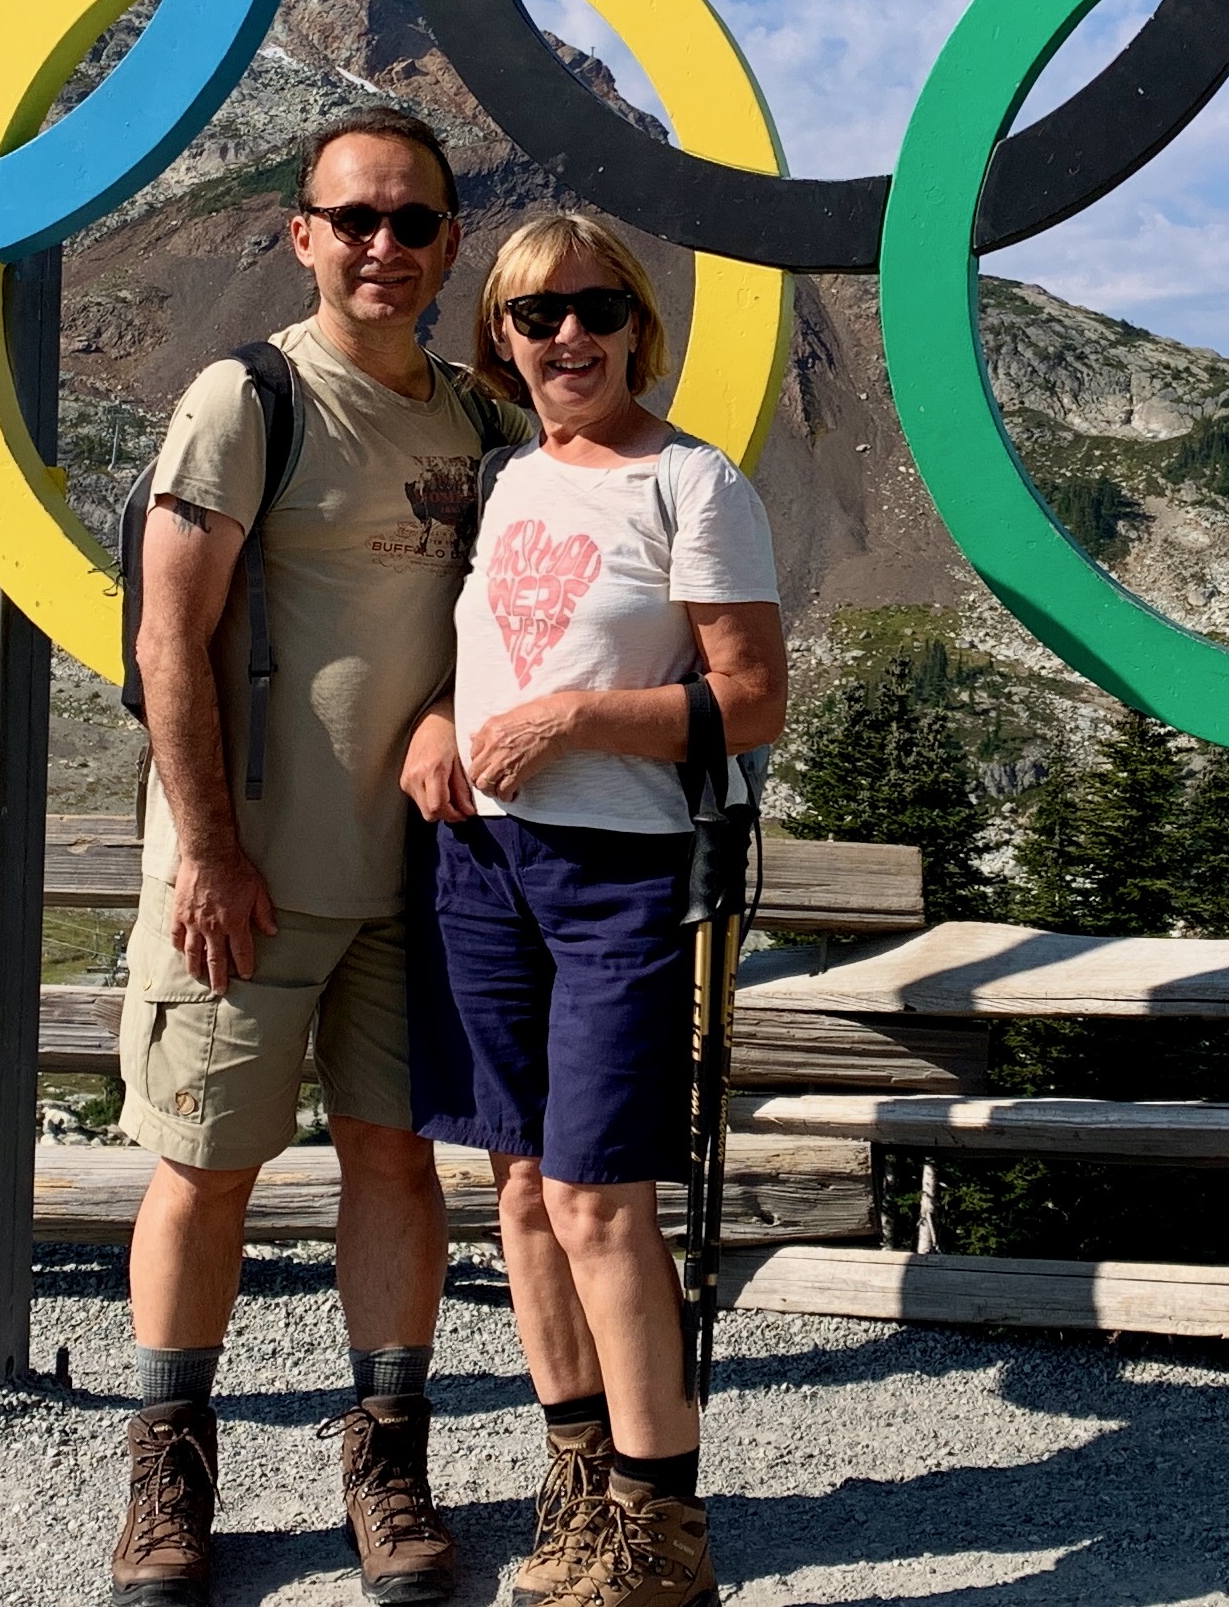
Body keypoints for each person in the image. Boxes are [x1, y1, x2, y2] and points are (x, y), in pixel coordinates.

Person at [112, 106, 519, 1607]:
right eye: (354, 219)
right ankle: (169, 1471)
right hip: (249, 875)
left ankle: (388, 1458)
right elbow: (170, 628)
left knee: (394, 1163)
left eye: (414, 221)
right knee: (205, 1167)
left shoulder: (481, 421)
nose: (384, 247)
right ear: (301, 235)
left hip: (415, 879)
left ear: (450, 239)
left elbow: (516, 618)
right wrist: (208, 848)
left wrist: (460, 712)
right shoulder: (248, 399)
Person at [400, 213, 785, 1607]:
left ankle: (659, 1530)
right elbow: (492, 655)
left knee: (598, 1196)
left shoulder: (694, 483)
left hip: (620, 874)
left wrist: (573, 721)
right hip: (483, 861)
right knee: (516, 1183)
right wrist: (444, 720)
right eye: (534, 315)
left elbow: (751, 700)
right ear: (500, 342)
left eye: (594, 309)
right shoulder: (508, 481)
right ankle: (578, 1490)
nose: (568, 336)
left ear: (638, 326)